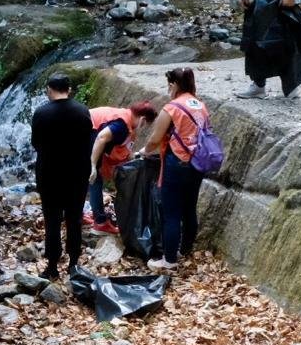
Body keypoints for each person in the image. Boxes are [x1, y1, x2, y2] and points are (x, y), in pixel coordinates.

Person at [145, 67, 210, 273]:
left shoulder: (172, 108)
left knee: (171, 213)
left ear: (174, 85)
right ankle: (185, 249)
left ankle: (169, 260)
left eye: (169, 84)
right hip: (197, 163)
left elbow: (155, 138)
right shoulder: (200, 105)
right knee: (189, 208)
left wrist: (144, 151)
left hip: (177, 163)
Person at [29, 73, 92, 279]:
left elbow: (36, 143)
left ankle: (53, 265)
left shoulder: (41, 113)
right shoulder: (82, 111)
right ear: (70, 90)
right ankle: (74, 263)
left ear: (49, 89)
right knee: (74, 218)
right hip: (77, 173)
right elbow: (87, 142)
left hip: (49, 173)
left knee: (52, 219)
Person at [87, 101, 158, 234]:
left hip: (87, 132)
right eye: (146, 124)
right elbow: (102, 137)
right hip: (83, 133)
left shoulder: (126, 120)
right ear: (142, 119)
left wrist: (138, 156)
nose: (144, 127)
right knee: (95, 179)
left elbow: (123, 151)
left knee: (88, 177)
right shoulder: (122, 125)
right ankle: (100, 223)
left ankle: (77, 214)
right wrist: (92, 164)